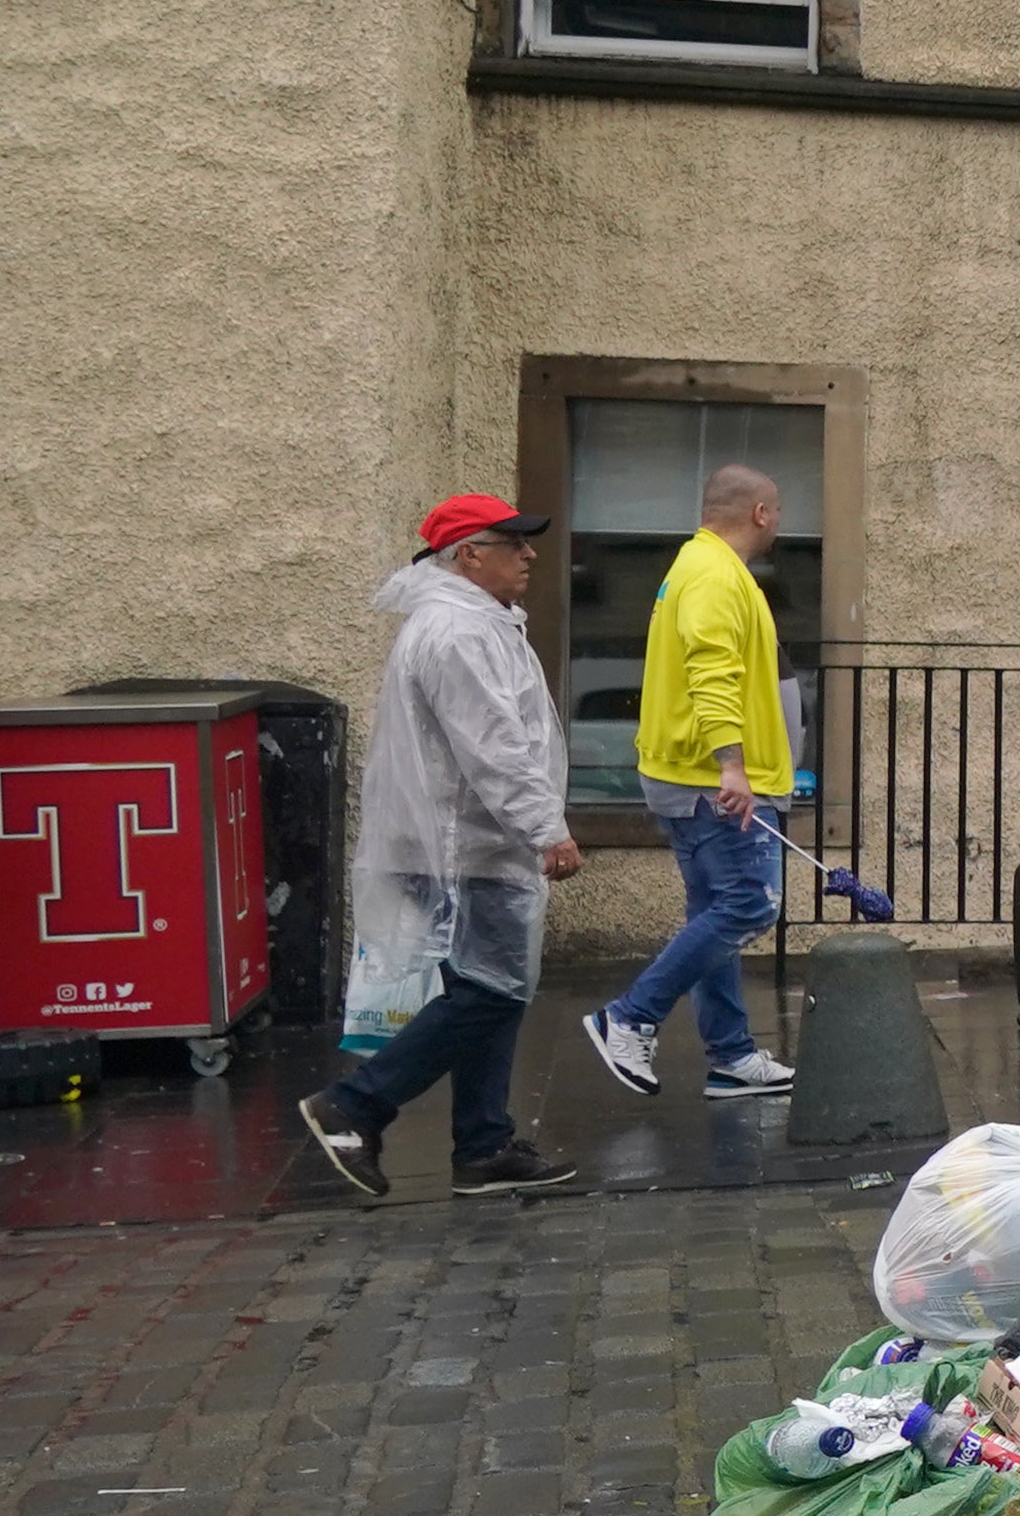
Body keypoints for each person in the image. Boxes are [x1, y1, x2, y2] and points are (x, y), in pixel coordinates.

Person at [298, 496, 582, 1200]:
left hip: (462, 842)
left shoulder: (470, 622)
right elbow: (493, 748)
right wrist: (544, 827)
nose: (530, 554)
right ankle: (356, 1105)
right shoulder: (458, 631)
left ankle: (484, 1145)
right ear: (468, 556)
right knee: (490, 992)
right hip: (466, 846)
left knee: (487, 990)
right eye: (512, 543)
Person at [578, 464, 797, 1097]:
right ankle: (629, 1016)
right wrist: (732, 764)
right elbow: (711, 672)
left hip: (692, 776)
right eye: (777, 511)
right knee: (748, 903)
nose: (779, 522)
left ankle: (729, 1054)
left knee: (714, 909)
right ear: (759, 513)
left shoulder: (700, 568)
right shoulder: (712, 575)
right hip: (709, 780)